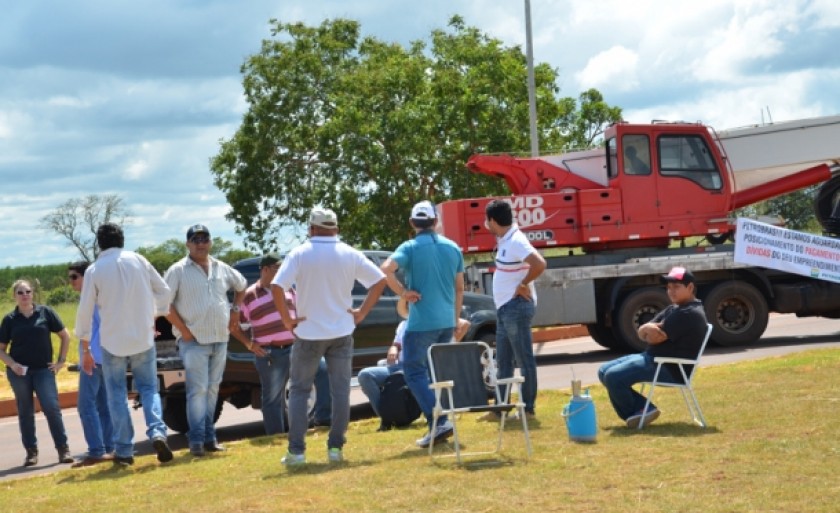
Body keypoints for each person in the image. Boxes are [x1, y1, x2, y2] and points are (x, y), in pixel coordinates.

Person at [272, 207, 386, 466]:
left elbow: (277, 286)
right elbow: (379, 281)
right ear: (336, 227)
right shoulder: (349, 253)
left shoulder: (300, 253)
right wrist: (361, 313)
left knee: (300, 391)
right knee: (341, 391)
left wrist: (287, 319)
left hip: (309, 332)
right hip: (342, 330)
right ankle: (335, 448)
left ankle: (297, 452)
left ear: (311, 228)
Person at [76, 223, 173, 466]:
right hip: (142, 337)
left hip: (112, 341)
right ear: (122, 240)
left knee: (116, 394)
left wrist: (86, 347)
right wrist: (152, 315)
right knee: (149, 388)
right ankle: (158, 432)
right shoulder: (139, 260)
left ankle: (124, 449)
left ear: (99, 243)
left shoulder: (94, 270)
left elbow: (85, 310)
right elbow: (164, 291)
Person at [380, 200, 470, 448]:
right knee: (435, 373)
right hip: (446, 321)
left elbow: (385, 268)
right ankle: (438, 424)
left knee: (414, 371)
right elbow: (459, 287)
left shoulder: (409, 247)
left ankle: (438, 420)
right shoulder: (453, 248)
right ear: (436, 222)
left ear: (412, 223)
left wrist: (403, 292)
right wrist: (454, 319)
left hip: (420, 324)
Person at [164, 224, 247, 457]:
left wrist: (236, 310)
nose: (201, 243)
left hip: (220, 338)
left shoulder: (221, 267)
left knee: (212, 390)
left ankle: (209, 437)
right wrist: (184, 330)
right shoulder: (178, 270)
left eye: (205, 239)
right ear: (188, 244)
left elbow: (242, 286)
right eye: (196, 239)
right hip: (194, 341)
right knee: (197, 391)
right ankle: (197, 440)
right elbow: (164, 304)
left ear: (210, 242)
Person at [230, 253, 331, 435]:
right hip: (270, 353)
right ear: (265, 269)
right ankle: (275, 435)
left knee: (323, 371)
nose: (283, 271)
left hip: (296, 347)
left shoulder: (289, 290)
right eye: (278, 268)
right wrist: (249, 344)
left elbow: (301, 314)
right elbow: (234, 325)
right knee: (272, 398)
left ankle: (323, 419)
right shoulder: (249, 295)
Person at [598, 266, 708, 428]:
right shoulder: (674, 309)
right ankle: (643, 408)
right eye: (669, 287)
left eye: (676, 287)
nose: (671, 291)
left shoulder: (689, 313)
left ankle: (639, 410)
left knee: (613, 377)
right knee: (603, 371)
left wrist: (649, 330)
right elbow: (643, 333)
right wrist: (648, 329)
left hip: (670, 368)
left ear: (690, 287)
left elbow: (654, 339)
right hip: (653, 359)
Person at [358, 297, 471, 425]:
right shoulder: (404, 324)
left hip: (422, 368)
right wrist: (394, 348)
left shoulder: (434, 325)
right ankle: (387, 417)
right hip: (399, 366)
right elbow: (396, 344)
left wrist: (446, 320)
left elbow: (465, 324)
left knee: (423, 377)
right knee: (365, 375)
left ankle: (432, 415)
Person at [483, 199, 547, 420]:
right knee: (504, 361)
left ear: (493, 220)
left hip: (515, 308)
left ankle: (528, 409)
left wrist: (523, 285)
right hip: (505, 309)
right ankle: (500, 409)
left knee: (524, 359)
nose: (485, 225)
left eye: (487, 221)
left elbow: (540, 263)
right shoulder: (505, 238)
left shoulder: (516, 241)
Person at [0, 280, 74, 467]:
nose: (24, 294)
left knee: (51, 408)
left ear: (32, 293)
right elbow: (1, 349)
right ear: (14, 296)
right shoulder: (9, 320)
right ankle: (31, 452)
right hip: (19, 374)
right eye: (20, 292)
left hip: (43, 371)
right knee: (25, 412)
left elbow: (65, 335)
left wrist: (60, 361)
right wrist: (12, 364)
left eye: (27, 291)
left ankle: (63, 449)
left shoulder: (45, 313)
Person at [68, 261, 114, 467]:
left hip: (93, 359)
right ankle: (109, 448)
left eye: (74, 277)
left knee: (86, 406)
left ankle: (96, 451)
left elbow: (87, 330)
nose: (71, 282)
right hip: (105, 357)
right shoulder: (102, 296)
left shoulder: (89, 299)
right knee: (103, 405)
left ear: (86, 277)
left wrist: (87, 354)